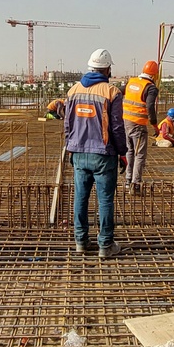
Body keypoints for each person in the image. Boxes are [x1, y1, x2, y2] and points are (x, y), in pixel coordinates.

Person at [64, 49, 128, 258]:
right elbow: (117, 127)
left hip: (79, 153)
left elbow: (67, 124)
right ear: (107, 69)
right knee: (105, 200)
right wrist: (122, 152)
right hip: (103, 154)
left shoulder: (73, 91)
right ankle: (105, 245)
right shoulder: (112, 92)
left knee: (80, 199)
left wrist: (70, 146)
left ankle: (81, 242)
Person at [122, 60, 160, 194]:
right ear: (155, 75)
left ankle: (128, 180)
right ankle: (136, 184)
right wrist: (155, 126)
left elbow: (119, 93)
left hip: (126, 122)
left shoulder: (131, 82)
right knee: (140, 155)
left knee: (130, 151)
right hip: (138, 125)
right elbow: (150, 107)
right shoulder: (150, 87)